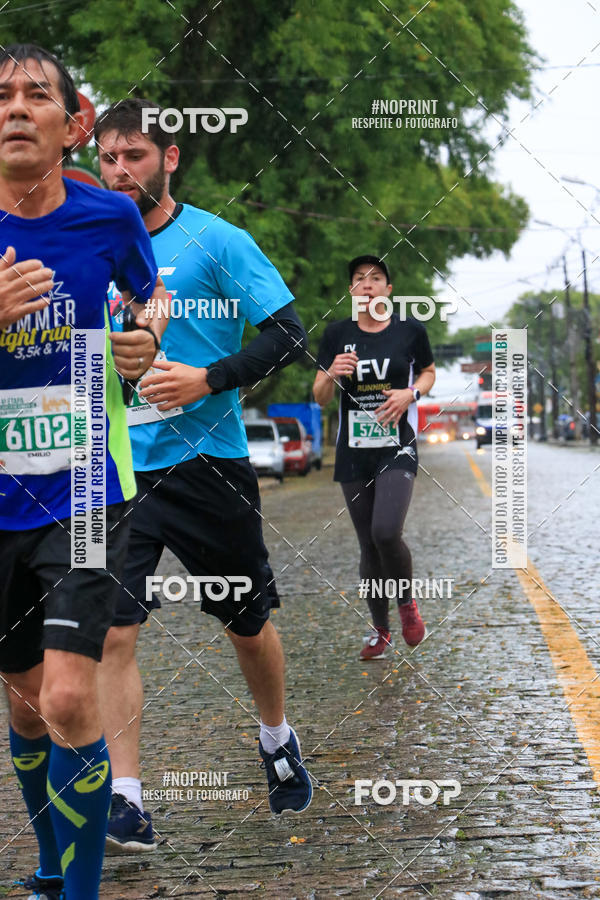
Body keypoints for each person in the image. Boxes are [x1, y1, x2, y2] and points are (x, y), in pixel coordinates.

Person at [93, 98, 312, 852]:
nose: (120, 173)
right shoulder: (87, 243)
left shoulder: (216, 240)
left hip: (206, 465)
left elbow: (289, 333)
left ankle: (277, 736)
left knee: (246, 625)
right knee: (111, 632)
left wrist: (208, 378)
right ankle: (125, 798)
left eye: (136, 157)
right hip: (115, 471)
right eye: (108, 159)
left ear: (170, 158)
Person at [0, 45, 169, 900]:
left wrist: (146, 339)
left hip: (88, 493)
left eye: (37, 95)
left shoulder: (109, 218)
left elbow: (149, 302)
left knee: (69, 698)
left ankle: (82, 891)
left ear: (73, 124)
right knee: (27, 704)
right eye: (2, 96)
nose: (16, 107)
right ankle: (53, 857)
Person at [313, 256, 435, 660]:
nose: (367, 284)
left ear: (388, 290)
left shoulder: (409, 330)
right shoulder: (336, 334)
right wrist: (331, 372)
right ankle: (379, 628)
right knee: (367, 543)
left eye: (376, 278)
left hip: (396, 445)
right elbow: (320, 397)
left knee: (386, 532)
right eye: (359, 279)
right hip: (353, 451)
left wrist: (410, 393)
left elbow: (429, 373)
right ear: (351, 291)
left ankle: (407, 605)